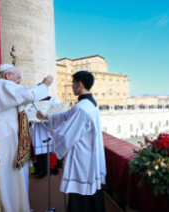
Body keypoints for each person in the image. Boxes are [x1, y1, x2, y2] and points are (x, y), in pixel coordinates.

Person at [0, 64, 53, 212]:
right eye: (18, 78)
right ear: (8, 76)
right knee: (7, 175)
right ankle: (12, 207)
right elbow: (28, 95)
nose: (19, 83)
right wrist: (44, 85)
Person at [37, 71, 106, 212]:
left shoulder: (82, 107)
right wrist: (47, 116)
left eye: (73, 83)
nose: (72, 87)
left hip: (82, 157)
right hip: (88, 153)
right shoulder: (88, 103)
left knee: (80, 191)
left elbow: (67, 135)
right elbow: (67, 115)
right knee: (89, 190)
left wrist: (54, 133)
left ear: (79, 84)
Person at [30, 95, 62, 178]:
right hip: (39, 128)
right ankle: (42, 171)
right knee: (42, 152)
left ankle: (53, 168)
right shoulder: (34, 103)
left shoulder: (55, 101)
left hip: (51, 127)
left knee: (53, 150)